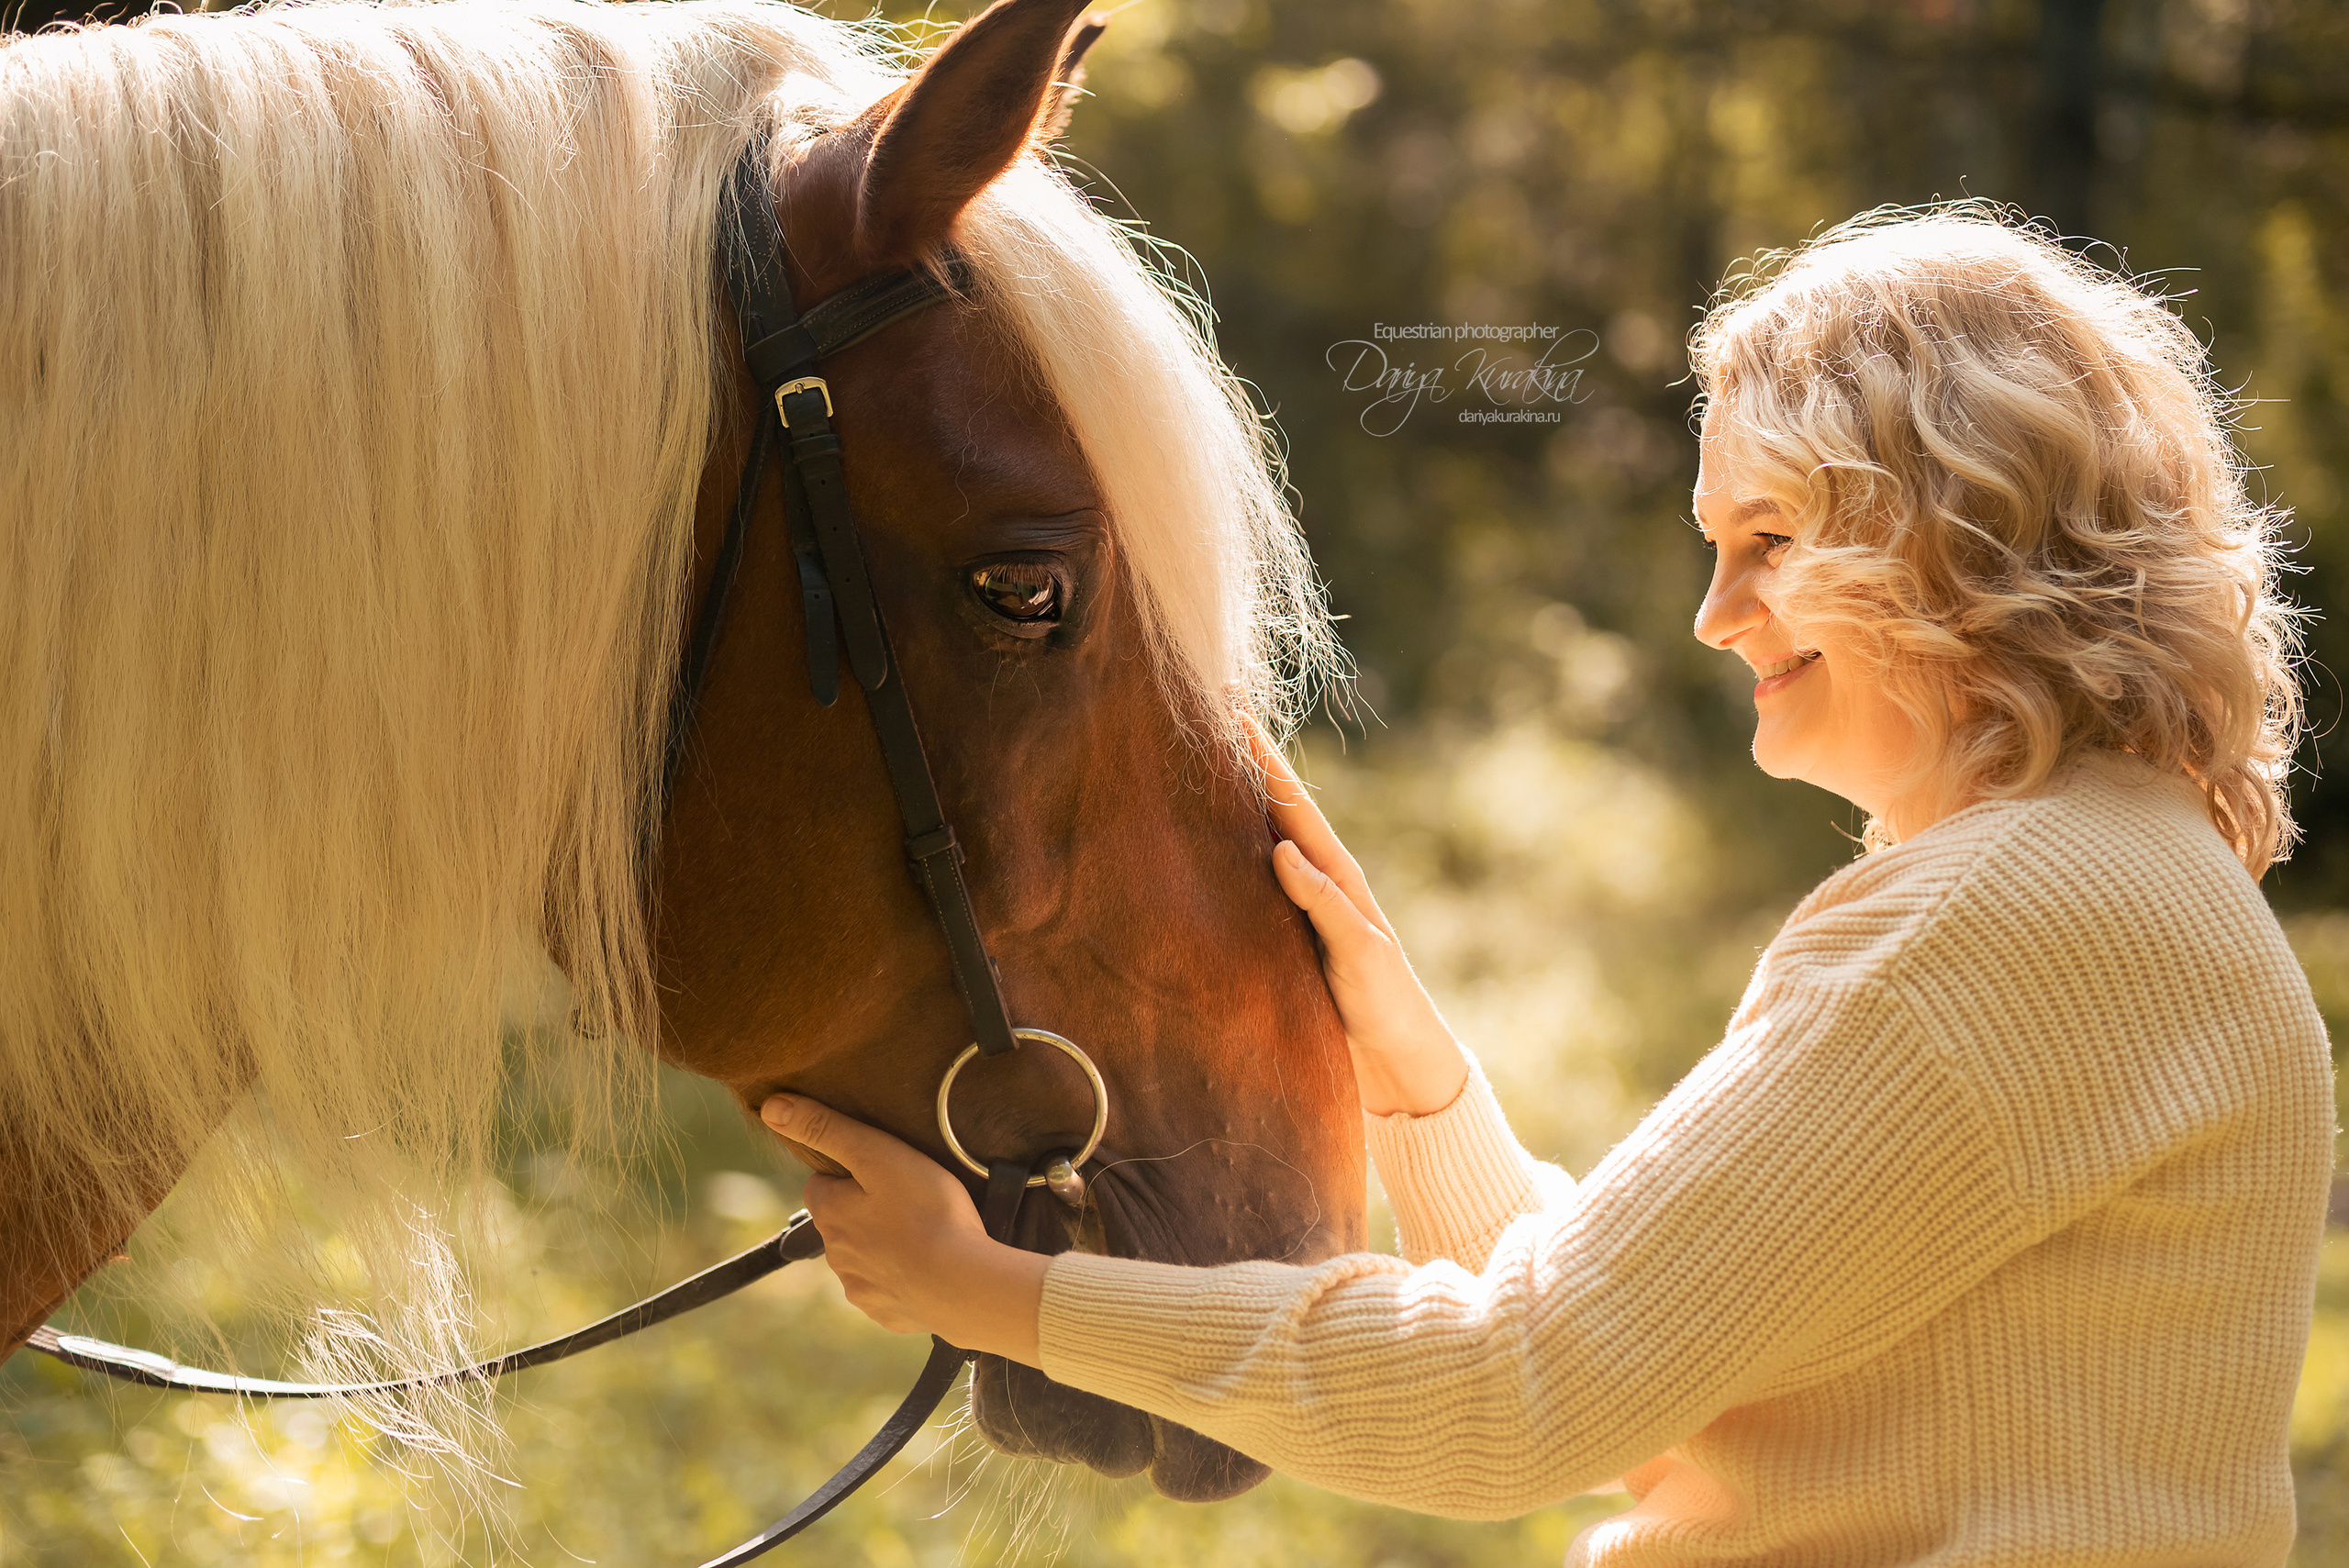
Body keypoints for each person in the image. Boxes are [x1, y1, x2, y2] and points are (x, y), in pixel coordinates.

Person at [756, 209, 2334, 1565]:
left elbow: (1515, 1399)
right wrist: (1419, 1083)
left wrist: (1004, 1288)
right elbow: (1648, 1375)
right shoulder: (2120, 882)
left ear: (1957, 526)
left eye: (1768, 539)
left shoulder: (2007, 916)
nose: (1716, 616)